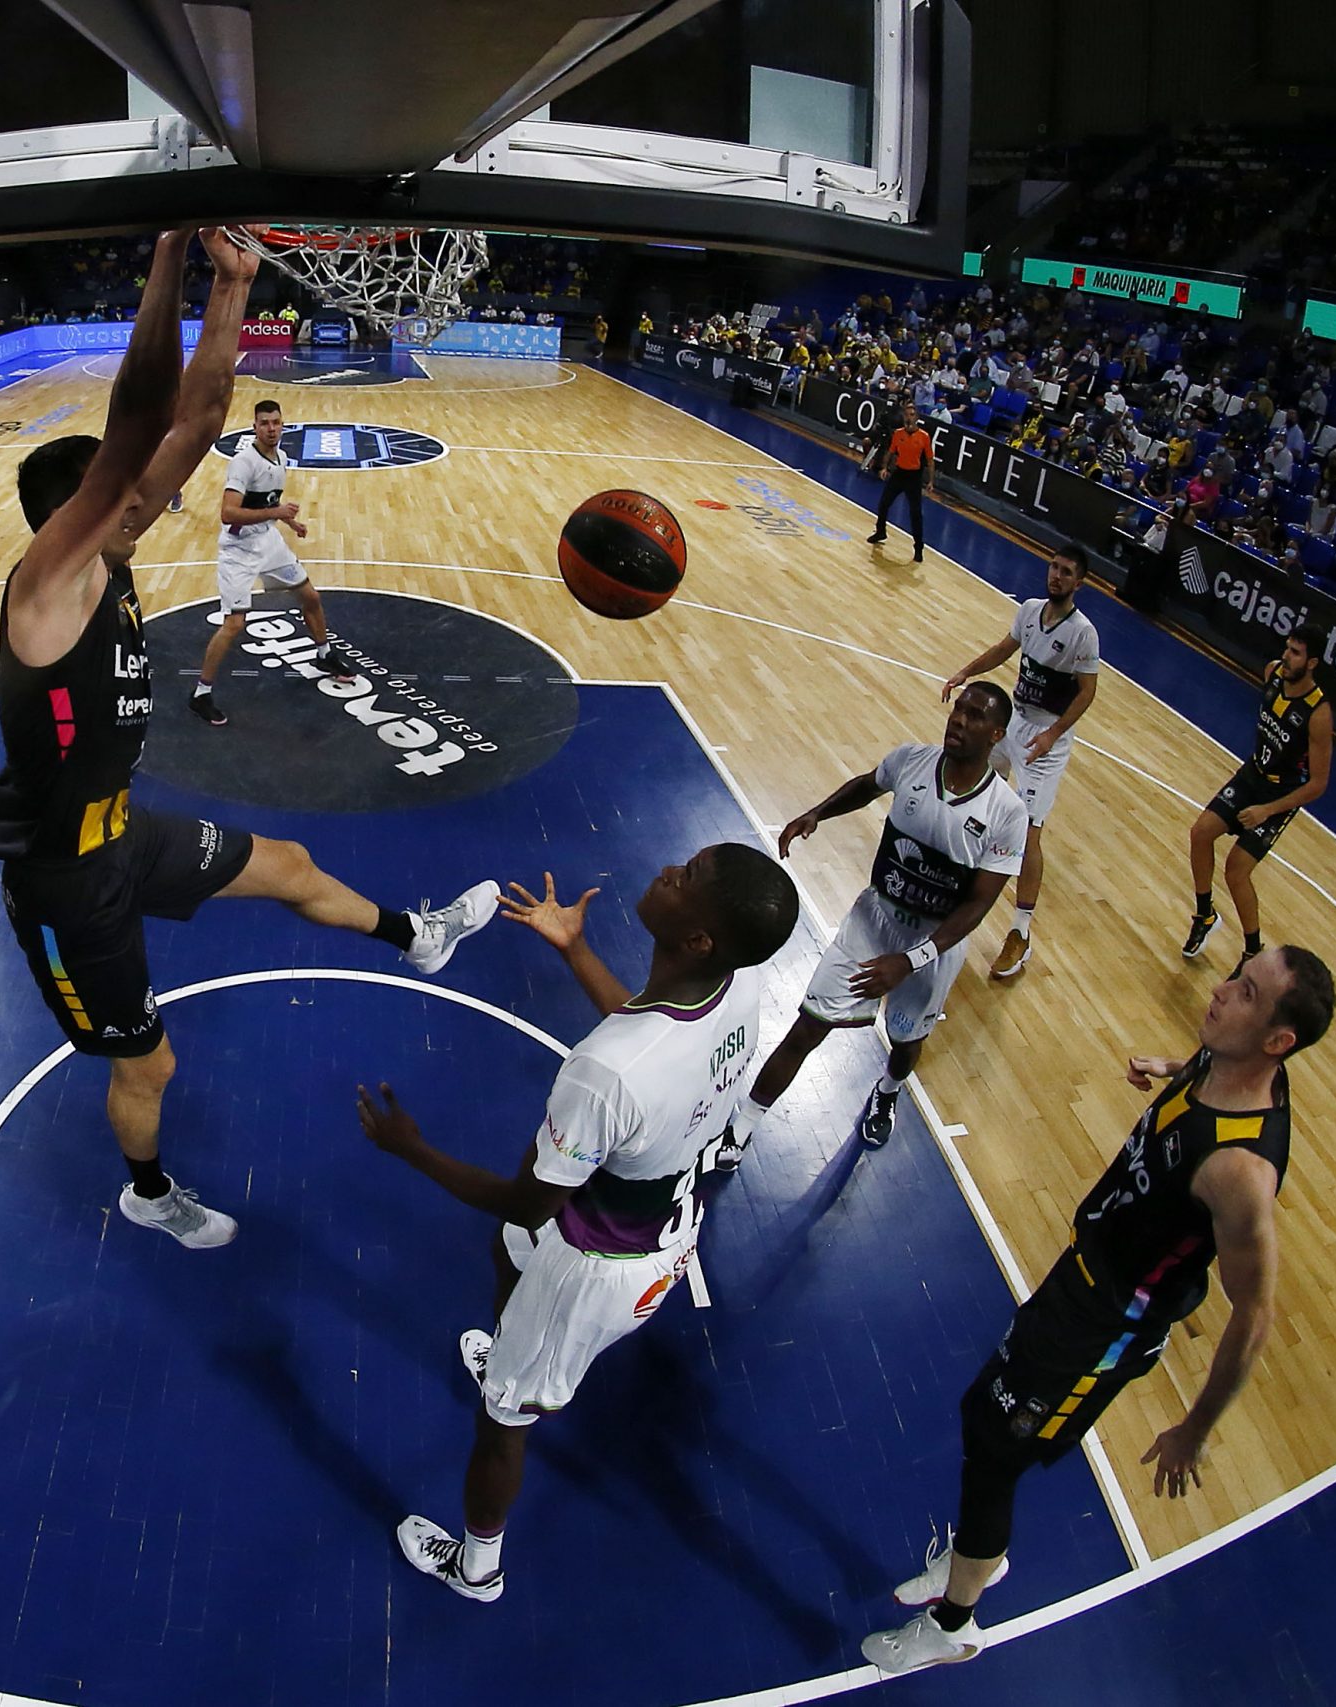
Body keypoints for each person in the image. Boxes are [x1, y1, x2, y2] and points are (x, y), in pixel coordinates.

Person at [0, 229, 501, 1250]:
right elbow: (138, 423)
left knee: (288, 863)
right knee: (151, 1065)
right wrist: (168, 258)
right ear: (74, 512)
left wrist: (229, 280)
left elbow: (196, 417)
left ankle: (416, 938)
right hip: (65, 888)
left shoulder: (111, 561)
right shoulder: (45, 584)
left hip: (119, 834)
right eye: (123, 494)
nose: (147, 500)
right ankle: (148, 1191)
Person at [863, 947, 1336, 1674]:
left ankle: (955, 1623)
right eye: (1235, 977)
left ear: (1278, 1040)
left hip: (1104, 1327)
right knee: (981, 1419)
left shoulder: (1240, 1172)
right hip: (1079, 1276)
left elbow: (1255, 1314)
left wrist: (1194, 1429)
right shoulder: (1226, 1057)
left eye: (1246, 992)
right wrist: (1171, 1068)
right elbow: (1207, 1075)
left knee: (994, 1453)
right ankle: (977, 1556)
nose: (1220, 992)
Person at [357, 848, 801, 1602]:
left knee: (502, 1423)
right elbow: (652, 1040)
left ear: (699, 939)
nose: (668, 870)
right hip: (660, 1216)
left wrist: (414, 1150)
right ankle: (509, 1351)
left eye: (686, 880)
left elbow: (528, 1200)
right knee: (509, 1249)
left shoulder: (603, 1074)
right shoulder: (740, 982)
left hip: (596, 1268)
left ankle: (478, 1567)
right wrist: (576, 949)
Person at [738, 683, 1027, 1155]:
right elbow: (868, 785)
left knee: (905, 1040)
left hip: (934, 942)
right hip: (873, 918)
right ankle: (742, 1125)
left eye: (975, 716)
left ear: (997, 734)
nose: (959, 719)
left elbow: (978, 905)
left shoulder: (1007, 813)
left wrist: (911, 960)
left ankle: (888, 1092)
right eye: (958, 709)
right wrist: (817, 813)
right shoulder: (912, 760)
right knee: (809, 1024)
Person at [941, 545, 1101, 979]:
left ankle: (1021, 933)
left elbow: (1087, 692)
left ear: (1079, 583)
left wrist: (1052, 734)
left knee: (1029, 835)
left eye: (1066, 572)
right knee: (973, 793)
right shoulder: (1030, 610)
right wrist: (966, 672)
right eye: (1054, 567)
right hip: (1013, 722)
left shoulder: (1083, 634)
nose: (1056, 576)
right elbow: (1004, 648)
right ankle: (958, 883)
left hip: (1045, 738)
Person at [190, 399, 351, 725]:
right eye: (264, 423)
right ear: (255, 427)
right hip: (239, 551)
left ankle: (324, 655)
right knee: (234, 624)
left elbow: (268, 500)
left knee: (310, 597)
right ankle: (201, 694)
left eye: (276, 422)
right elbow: (228, 513)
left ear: (282, 425)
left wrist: (290, 522)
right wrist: (277, 513)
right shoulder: (243, 463)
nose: (271, 428)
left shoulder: (281, 458)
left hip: (269, 541)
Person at [1183, 626, 1334, 971]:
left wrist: (1267, 810)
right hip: (1253, 774)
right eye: (1287, 648)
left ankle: (1252, 951)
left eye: (1295, 653)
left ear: (1312, 662)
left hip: (1280, 794)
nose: (1286, 656)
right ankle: (1205, 916)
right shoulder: (1273, 673)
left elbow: (1318, 784)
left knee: (1237, 870)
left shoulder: (1318, 713)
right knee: (1200, 833)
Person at [866, 400, 935, 562]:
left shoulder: (924, 437)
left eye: (912, 415)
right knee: (884, 503)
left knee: (915, 513)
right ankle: (880, 531)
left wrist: (931, 481)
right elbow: (891, 452)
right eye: (906, 414)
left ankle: (919, 547)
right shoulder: (898, 434)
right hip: (899, 474)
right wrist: (884, 467)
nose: (909, 418)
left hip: (914, 477)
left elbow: (930, 460)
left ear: (916, 417)